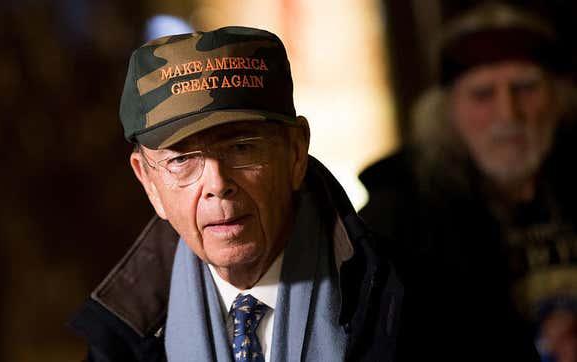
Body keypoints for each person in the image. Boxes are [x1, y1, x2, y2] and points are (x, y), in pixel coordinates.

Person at [69, 26, 403, 362]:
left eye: (241, 147)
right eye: (182, 159)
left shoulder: (409, 307)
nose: (217, 184)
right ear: (149, 183)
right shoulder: (119, 343)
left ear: (296, 153)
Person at [358, 3, 577, 362]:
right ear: (446, 111)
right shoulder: (397, 216)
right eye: (483, 95)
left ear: (558, 97)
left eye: (525, 88)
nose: (509, 114)